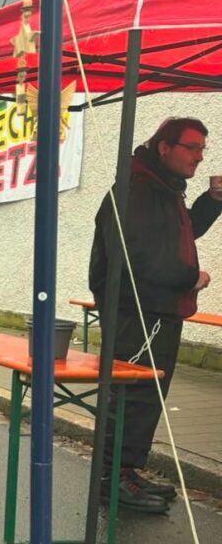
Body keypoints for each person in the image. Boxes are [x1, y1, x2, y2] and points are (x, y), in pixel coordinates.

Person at [89, 117, 222, 513]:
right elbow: (142, 257)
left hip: (154, 307)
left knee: (147, 394)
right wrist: (191, 277)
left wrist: (212, 202)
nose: (199, 157)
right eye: (191, 147)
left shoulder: (159, 186)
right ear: (165, 147)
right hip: (139, 308)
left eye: (202, 149)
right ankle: (112, 478)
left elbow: (179, 234)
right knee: (133, 395)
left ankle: (125, 470)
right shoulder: (140, 188)